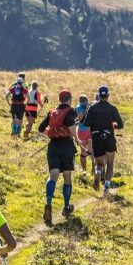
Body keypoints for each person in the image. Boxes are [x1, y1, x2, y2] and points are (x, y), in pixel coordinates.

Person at [37, 90, 82, 225]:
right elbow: (72, 128)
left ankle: (49, 203)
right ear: (69, 100)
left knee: (53, 175)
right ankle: (67, 206)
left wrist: (50, 134)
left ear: (59, 99)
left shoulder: (52, 112)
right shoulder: (71, 111)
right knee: (67, 176)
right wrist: (79, 142)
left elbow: (41, 128)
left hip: (53, 146)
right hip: (66, 146)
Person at [83, 85, 124, 195]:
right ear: (108, 96)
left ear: (98, 95)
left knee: (99, 164)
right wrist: (113, 126)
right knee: (110, 164)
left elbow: (86, 123)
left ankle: (97, 172)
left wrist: (95, 124)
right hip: (109, 138)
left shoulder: (92, 107)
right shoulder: (112, 108)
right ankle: (106, 188)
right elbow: (120, 124)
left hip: (96, 138)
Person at [75, 94, 93, 177]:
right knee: (91, 151)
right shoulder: (90, 107)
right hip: (90, 131)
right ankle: (94, 168)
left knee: (83, 152)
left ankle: (84, 171)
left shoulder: (78, 108)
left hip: (81, 132)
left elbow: (78, 119)